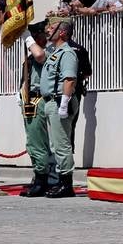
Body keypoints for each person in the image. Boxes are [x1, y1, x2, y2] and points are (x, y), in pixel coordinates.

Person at [41, 17, 81, 198]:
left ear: (62, 32)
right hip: (51, 101)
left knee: (62, 144)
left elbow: (69, 79)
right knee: (54, 144)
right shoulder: (54, 52)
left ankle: (66, 184)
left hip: (59, 101)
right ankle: (60, 180)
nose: (48, 30)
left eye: (52, 27)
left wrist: (64, 103)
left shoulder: (67, 53)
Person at [19, 22, 54, 196]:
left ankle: (42, 179)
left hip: (38, 98)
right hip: (29, 99)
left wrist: (27, 38)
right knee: (32, 142)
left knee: (38, 142)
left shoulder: (48, 51)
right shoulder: (30, 56)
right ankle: (37, 176)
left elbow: (39, 55)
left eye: (35, 36)